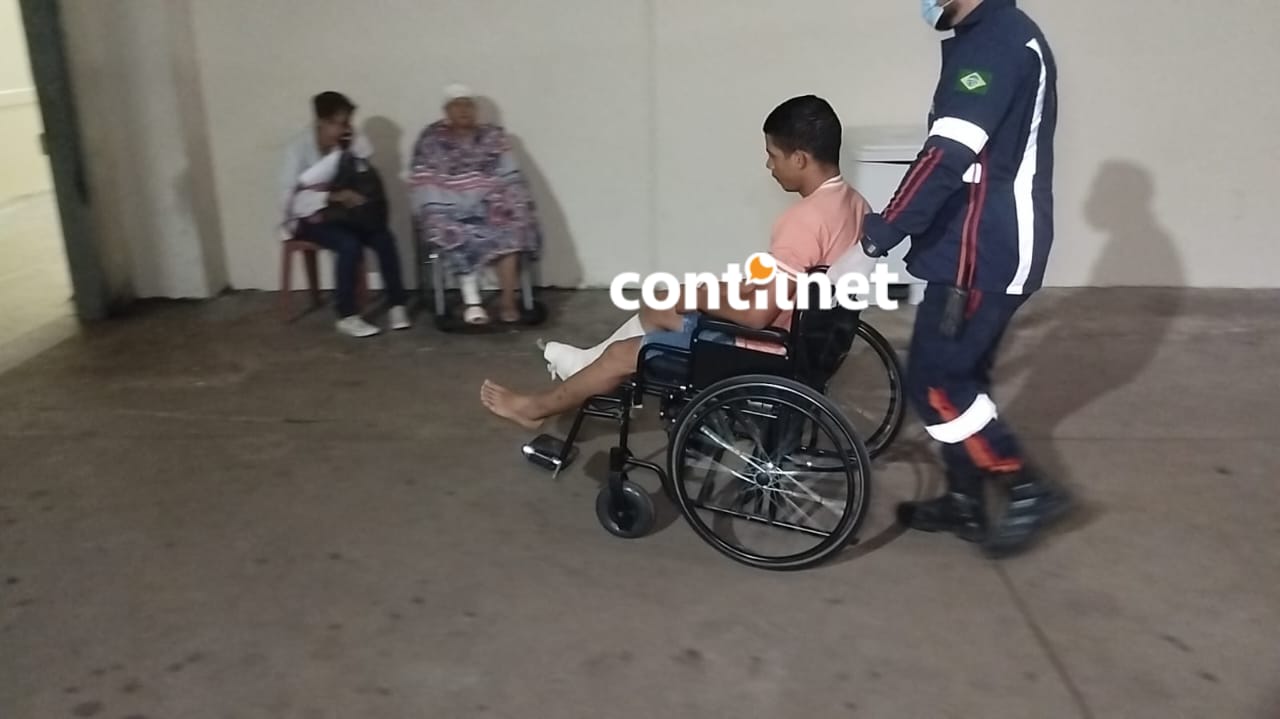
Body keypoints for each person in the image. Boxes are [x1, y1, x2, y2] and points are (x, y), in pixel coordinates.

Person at [481, 95, 870, 430]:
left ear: (800, 158)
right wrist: (717, 290)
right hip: (813, 338)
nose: (769, 166)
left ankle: (537, 408)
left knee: (625, 353)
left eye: (773, 155)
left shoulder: (802, 221)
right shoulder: (855, 205)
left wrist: (702, 298)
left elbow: (756, 317)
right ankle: (585, 367)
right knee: (664, 303)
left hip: (770, 349)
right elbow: (793, 276)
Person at [839, 0, 1072, 557]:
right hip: (972, 246)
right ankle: (966, 498)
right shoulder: (989, 35)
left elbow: (945, 156)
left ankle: (1024, 485)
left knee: (937, 382)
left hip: (982, 252)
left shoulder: (996, 43)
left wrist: (877, 237)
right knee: (963, 378)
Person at [280, 91, 411, 338]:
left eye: (347, 122)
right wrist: (332, 197)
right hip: (308, 217)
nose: (344, 128)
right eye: (338, 123)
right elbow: (289, 199)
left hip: (345, 214)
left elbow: (364, 171)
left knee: (383, 237)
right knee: (348, 244)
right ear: (321, 121)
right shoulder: (297, 149)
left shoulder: (350, 139)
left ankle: (397, 303)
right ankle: (346, 315)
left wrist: (350, 147)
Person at [408, 84, 543, 325]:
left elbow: (510, 175)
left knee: (513, 227)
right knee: (449, 230)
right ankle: (472, 302)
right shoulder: (431, 140)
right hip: (446, 207)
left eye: (468, 105)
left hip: (489, 205)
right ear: (446, 111)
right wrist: (443, 206)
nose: (464, 110)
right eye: (457, 105)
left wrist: (510, 204)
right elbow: (424, 179)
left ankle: (508, 302)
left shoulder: (492, 136)